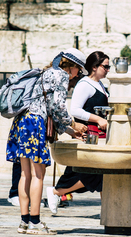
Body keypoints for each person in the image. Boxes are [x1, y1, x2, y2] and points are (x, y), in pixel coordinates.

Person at [6, 48, 88, 235]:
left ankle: (24, 222)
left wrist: (68, 131)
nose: (78, 74)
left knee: (25, 175)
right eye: (79, 70)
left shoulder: (46, 73)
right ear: (73, 66)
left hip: (22, 122)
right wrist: (74, 124)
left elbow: (48, 109)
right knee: (38, 175)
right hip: (35, 124)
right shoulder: (61, 76)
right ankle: (35, 221)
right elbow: (57, 107)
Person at [46, 51, 110, 214]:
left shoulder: (100, 85)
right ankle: (56, 192)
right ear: (94, 67)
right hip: (88, 135)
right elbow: (74, 110)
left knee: (103, 174)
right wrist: (98, 119)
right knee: (91, 174)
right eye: (106, 66)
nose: (108, 69)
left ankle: (109, 211)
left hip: (97, 136)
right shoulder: (84, 84)